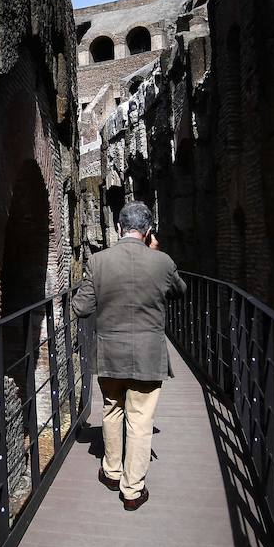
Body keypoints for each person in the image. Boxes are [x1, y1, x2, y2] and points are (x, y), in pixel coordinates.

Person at [72, 201, 187, 510]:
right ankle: (132, 489)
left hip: (110, 354)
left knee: (111, 411)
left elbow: (81, 308)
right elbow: (180, 291)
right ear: (148, 231)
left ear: (119, 228)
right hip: (148, 357)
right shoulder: (162, 262)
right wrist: (155, 251)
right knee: (140, 420)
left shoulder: (97, 262)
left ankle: (111, 472)